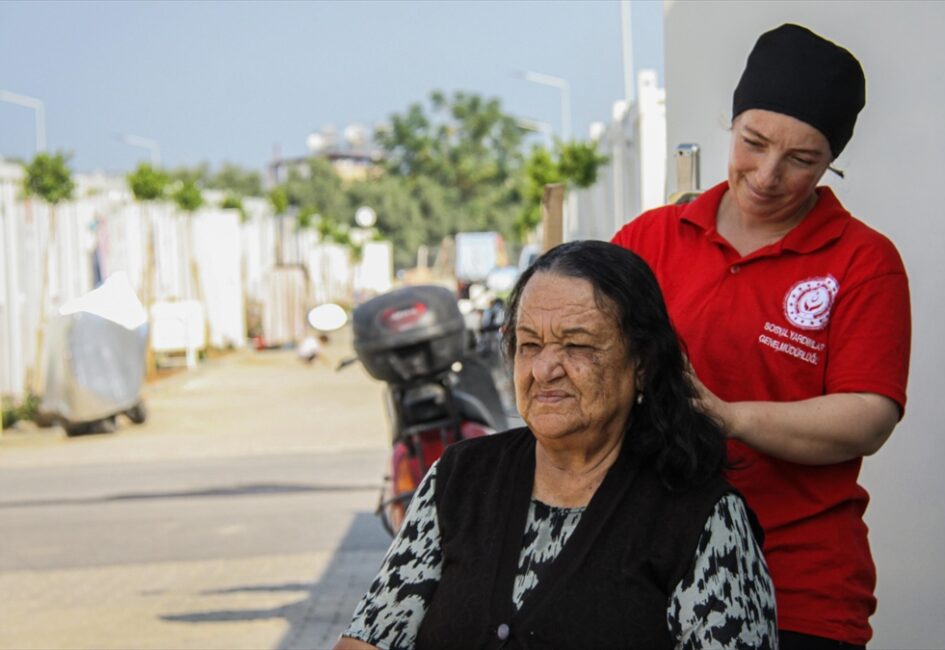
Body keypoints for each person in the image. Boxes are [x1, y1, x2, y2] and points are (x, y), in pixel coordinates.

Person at [613, 23, 911, 649]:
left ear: (829, 162)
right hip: (647, 569)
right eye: (753, 143)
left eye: (802, 160)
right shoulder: (649, 240)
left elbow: (869, 416)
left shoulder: (862, 261)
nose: (768, 174)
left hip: (795, 585)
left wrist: (729, 417)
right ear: (731, 125)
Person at [335, 240, 777, 650]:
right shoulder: (459, 478)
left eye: (576, 345)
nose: (544, 369)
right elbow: (370, 638)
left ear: (642, 363)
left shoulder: (699, 517)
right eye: (529, 344)